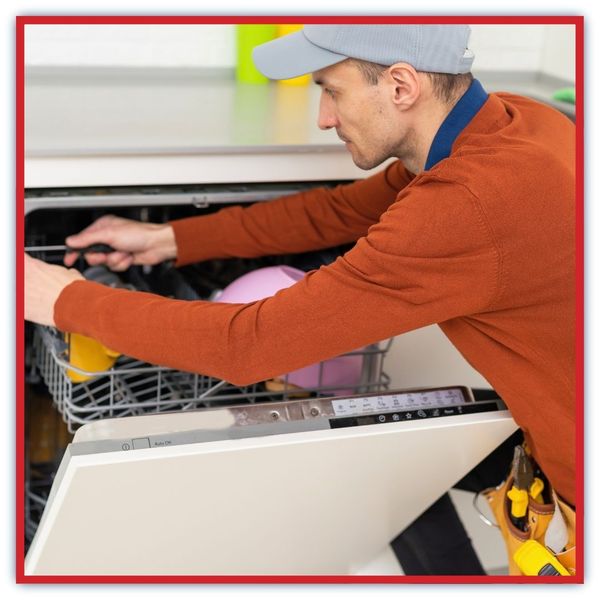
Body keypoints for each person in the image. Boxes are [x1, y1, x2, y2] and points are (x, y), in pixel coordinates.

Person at [24, 25, 576, 574]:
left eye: (331, 90)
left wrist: (64, 299)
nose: (324, 118)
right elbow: (334, 213)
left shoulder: (469, 202)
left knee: (380, 464)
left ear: (402, 86)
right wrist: (169, 239)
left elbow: (247, 346)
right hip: (559, 435)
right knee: (390, 464)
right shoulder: (516, 121)